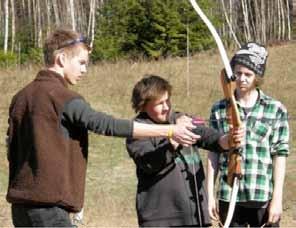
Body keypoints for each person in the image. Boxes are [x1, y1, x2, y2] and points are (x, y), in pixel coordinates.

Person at [6, 28, 200, 227]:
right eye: (81, 63)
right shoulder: (63, 97)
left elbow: (11, 150)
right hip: (48, 210)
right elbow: (108, 125)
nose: (84, 70)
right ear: (62, 59)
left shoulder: (20, 97)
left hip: (21, 209)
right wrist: (169, 130)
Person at [125, 75, 244, 227]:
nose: (166, 107)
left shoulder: (180, 119)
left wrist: (228, 140)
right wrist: (174, 137)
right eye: (159, 103)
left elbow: (208, 137)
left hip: (195, 215)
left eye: (167, 100)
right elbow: (150, 164)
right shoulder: (138, 129)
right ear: (143, 105)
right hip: (161, 219)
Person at [207, 42, 289, 227]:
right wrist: (210, 194)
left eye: (248, 74)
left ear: (257, 77)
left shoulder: (275, 109)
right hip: (229, 197)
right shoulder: (220, 109)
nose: (242, 79)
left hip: (261, 195)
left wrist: (277, 199)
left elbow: (280, 156)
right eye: (238, 73)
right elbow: (213, 152)